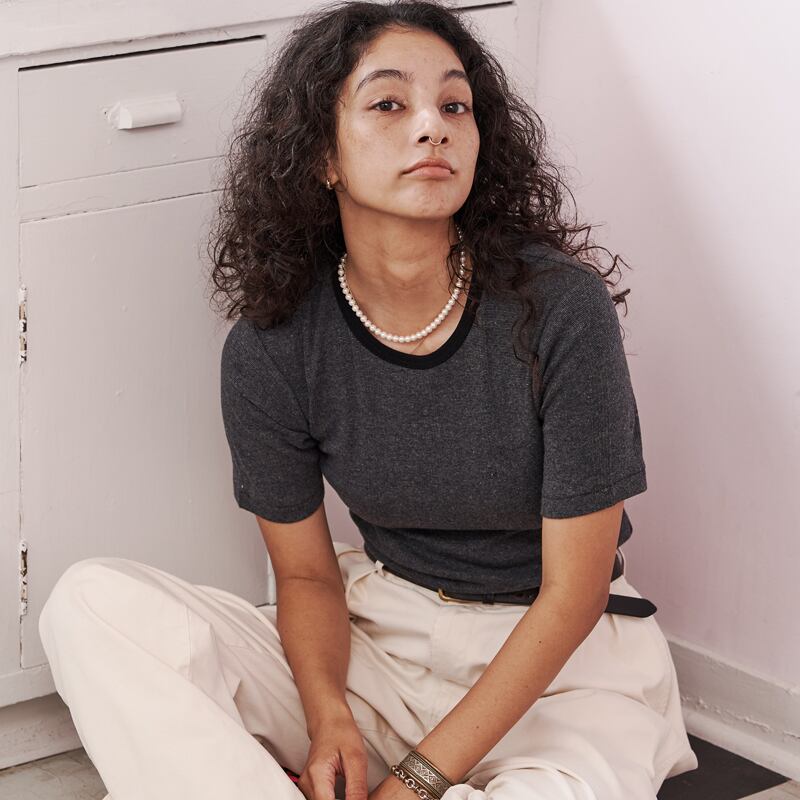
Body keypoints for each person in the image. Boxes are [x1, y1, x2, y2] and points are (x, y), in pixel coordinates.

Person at [38, 1, 699, 799]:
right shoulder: (274, 347)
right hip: (383, 641)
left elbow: (573, 594)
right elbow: (307, 578)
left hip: (563, 674)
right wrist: (329, 721)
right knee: (92, 605)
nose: (432, 127)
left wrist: (413, 784)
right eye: (389, 103)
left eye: (454, 105)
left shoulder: (561, 309)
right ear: (322, 155)